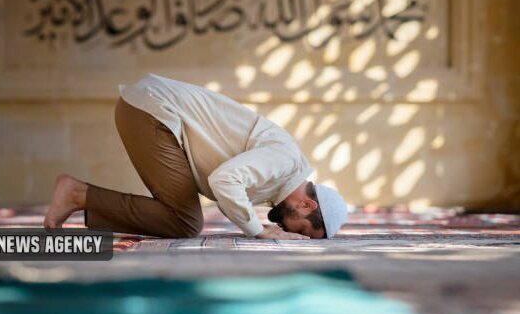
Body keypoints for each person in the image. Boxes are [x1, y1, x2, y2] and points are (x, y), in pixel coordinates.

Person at [44, 73, 347, 239]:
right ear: (306, 205)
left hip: (150, 111)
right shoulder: (285, 161)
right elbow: (225, 180)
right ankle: (78, 194)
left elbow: (226, 186)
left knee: (184, 221)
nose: (293, 233)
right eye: (304, 230)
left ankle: (82, 198)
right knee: (185, 223)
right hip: (153, 111)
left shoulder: (279, 179)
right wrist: (258, 231)